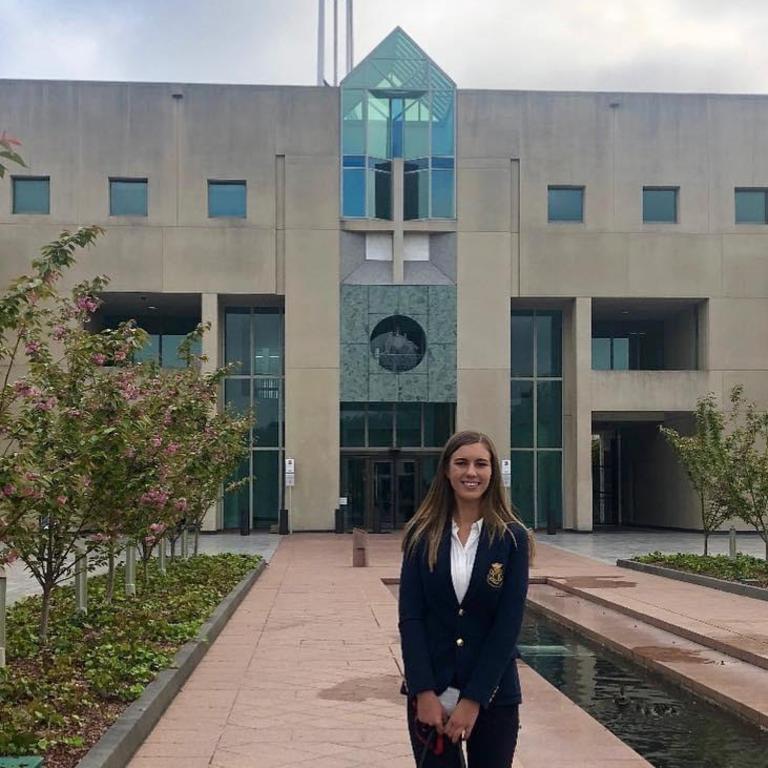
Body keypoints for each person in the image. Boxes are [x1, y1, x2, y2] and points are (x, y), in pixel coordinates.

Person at [398, 430, 534, 767]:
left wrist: (473, 700)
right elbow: (411, 619)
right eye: (461, 463)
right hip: (431, 694)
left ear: (492, 472)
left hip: (493, 696)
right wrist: (423, 692)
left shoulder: (512, 538)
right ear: (446, 470)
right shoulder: (421, 534)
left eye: (480, 464)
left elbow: (507, 625)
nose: (470, 472)